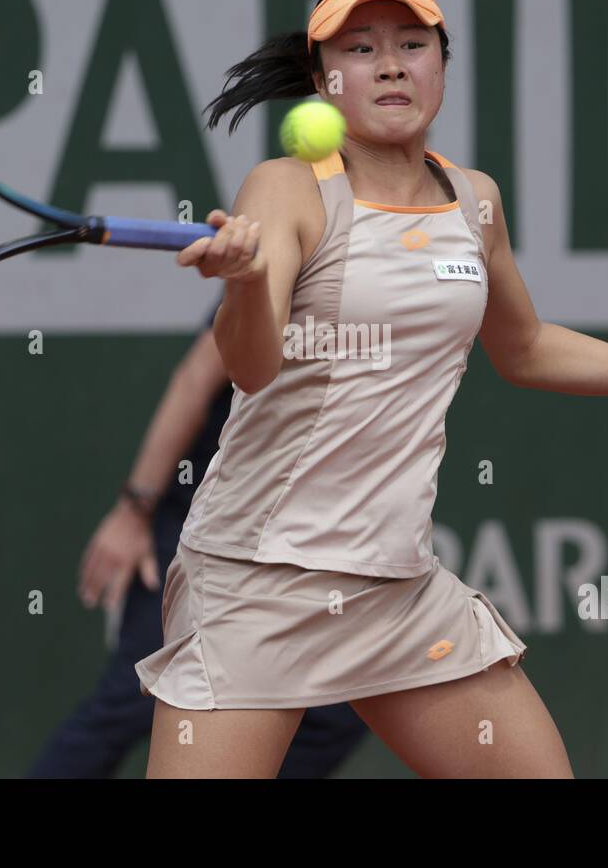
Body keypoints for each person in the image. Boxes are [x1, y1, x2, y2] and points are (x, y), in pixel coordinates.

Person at [137, 0, 608, 778]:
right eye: (360, 47)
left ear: (441, 64)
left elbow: (520, 348)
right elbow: (253, 364)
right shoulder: (286, 189)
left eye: (412, 44)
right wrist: (244, 287)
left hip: (397, 586)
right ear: (323, 80)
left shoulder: (474, 200)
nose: (389, 64)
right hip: (258, 579)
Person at [29, 298, 369, 778]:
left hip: (299, 539)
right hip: (204, 529)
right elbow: (194, 379)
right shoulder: (295, 242)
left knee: (338, 712)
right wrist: (132, 512)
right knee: (133, 701)